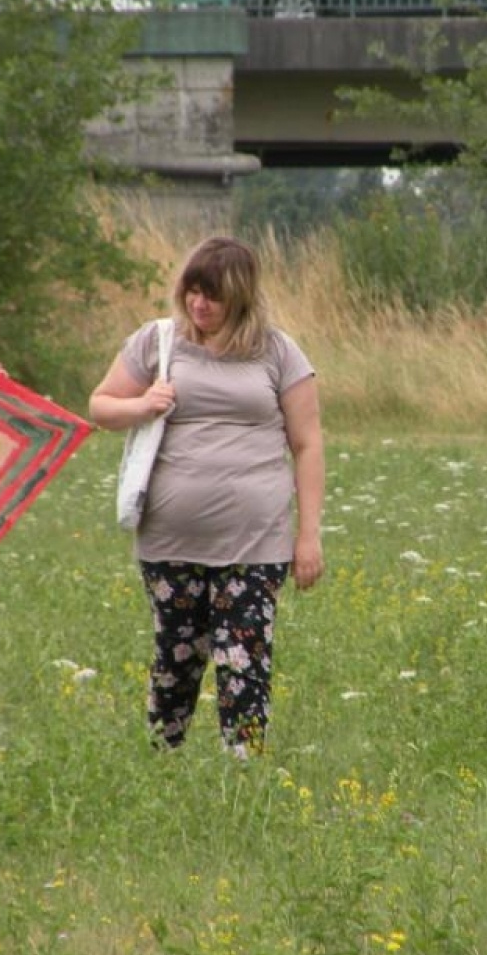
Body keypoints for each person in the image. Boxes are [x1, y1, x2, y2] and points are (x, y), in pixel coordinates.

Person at [89, 237, 325, 758]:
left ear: (239, 297)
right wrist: (144, 405)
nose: (199, 305)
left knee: (244, 660)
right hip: (171, 541)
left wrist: (308, 536)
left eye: (212, 296)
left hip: (257, 543)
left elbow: (307, 444)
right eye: (192, 292)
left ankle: (240, 778)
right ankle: (162, 765)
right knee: (176, 660)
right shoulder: (158, 342)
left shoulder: (279, 352)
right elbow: (101, 406)